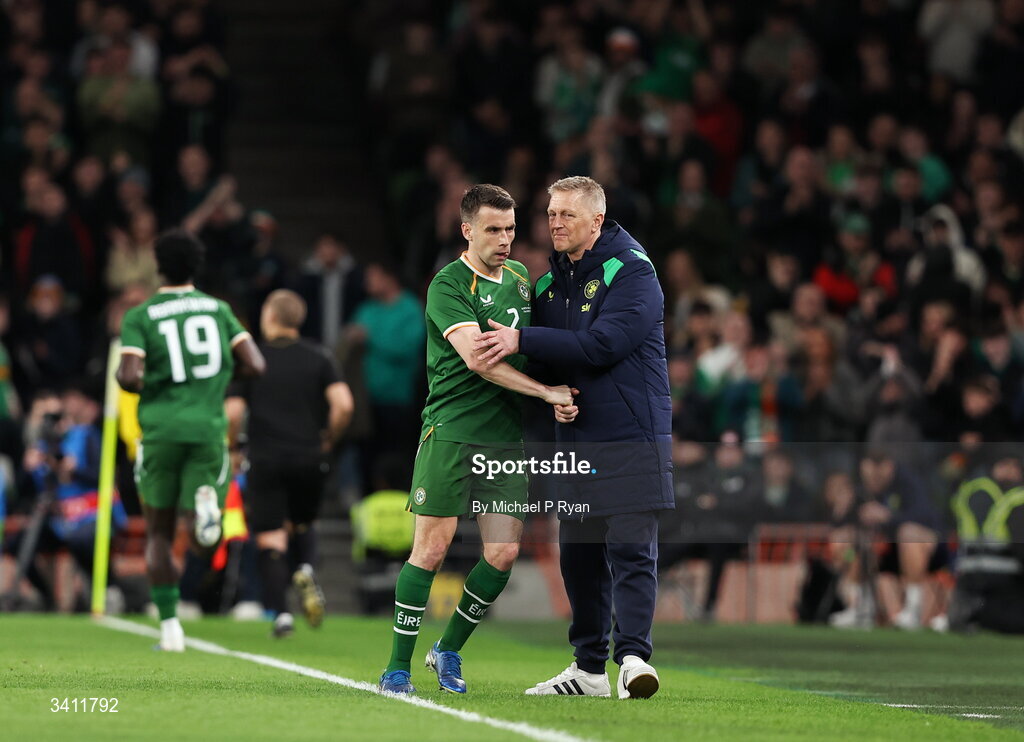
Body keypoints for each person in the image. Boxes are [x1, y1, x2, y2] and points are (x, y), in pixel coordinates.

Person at [475, 176, 673, 699]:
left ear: (597, 222)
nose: (554, 223)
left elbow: (603, 344)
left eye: (566, 215)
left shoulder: (633, 271)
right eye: (551, 213)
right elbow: (537, 356)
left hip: (631, 435)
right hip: (576, 442)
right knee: (578, 555)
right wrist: (544, 389)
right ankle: (588, 669)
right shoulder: (547, 284)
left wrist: (522, 338)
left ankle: (632, 659)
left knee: (631, 550)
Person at [377, 184, 573, 695]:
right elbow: (479, 360)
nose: (505, 239)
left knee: (503, 553)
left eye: (510, 229)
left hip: (504, 439)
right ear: (467, 230)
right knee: (431, 549)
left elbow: (530, 347)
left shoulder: (519, 279)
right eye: (493, 229)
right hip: (452, 432)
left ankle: (448, 652)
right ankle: (397, 668)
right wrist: (547, 392)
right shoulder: (447, 285)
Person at [116, 230, 265, 651]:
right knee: (204, 534)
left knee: (159, 533)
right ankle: (204, 508)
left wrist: (160, 381)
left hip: (161, 431)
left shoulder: (141, 315)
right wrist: (214, 378)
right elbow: (255, 364)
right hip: (205, 429)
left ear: (158, 266)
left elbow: (128, 376)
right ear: (196, 266)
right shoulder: (219, 310)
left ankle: (170, 629)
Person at [226, 290, 354, 638]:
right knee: (302, 522)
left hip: (266, 458)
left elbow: (233, 412)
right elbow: (343, 404)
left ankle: (282, 615)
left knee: (270, 538)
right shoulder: (320, 357)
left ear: (270, 316)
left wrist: (234, 448)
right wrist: (329, 436)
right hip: (309, 456)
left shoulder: (253, 361)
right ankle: (307, 566)